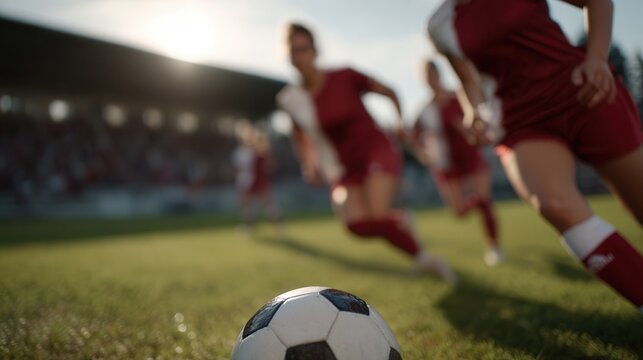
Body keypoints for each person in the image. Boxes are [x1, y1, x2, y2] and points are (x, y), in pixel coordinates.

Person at [428, 0, 643, 310]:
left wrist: (596, 59)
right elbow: (468, 81)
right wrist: (472, 111)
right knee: (555, 205)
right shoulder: (439, 24)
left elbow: (597, 3)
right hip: (521, 121)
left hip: (583, 91)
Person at [277, 22, 456, 282]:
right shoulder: (292, 99)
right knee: (357, 226)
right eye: (293, 51)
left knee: (377, 215)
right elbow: (300, 134)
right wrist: (309, 163)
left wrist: (399, 122)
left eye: (304, 49)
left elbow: (391, 92)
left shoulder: (345, 76)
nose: (300, 56)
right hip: (342, 165)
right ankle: (402, 222)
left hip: (376, 150)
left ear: (315, 51)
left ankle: (427, 259)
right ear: (289, 57)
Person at [414, 60, 502, 266]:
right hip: (447, 164)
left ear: (438, 74)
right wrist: (423, 153)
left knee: (485, 203)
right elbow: (415, 136)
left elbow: (478, 123)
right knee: (459, 212)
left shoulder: (458, 98)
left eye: (432, 73)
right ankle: (475, 199)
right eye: (425, 75)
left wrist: (467, 129)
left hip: (471, 157)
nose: (430, 79)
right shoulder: (426, 111)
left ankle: (494, 247)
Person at [232, 122, 283, 234]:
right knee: (246, 205)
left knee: (267, 203)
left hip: (257, 179)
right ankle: (250, 226)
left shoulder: (258, 150)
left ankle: (278, 225)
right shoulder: (240, 152)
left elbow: (269, 165)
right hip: (245, 180)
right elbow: (237, 168)